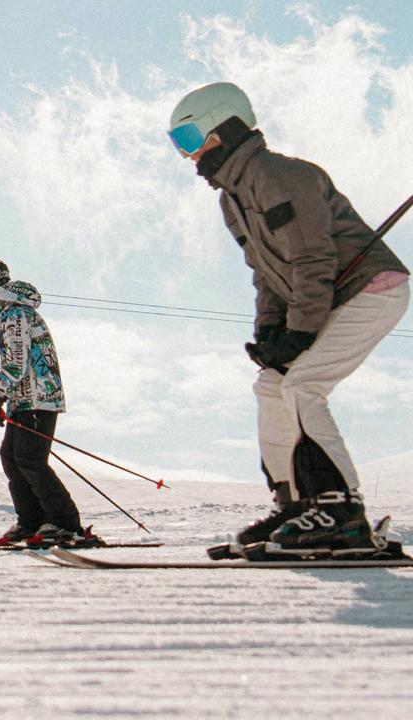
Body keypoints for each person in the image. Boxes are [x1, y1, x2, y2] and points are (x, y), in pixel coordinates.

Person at [168, 81, 410, 557]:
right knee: (271, 385)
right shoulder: (232, 198)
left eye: (190, 139)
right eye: (179, 145)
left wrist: (299, 332)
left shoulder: (280, 175)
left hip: (371, 289)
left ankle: (341, 512)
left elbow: (313, 259)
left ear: (224, 127)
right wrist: (270, 331)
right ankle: (298, 506)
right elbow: (266, 273)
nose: (188, 155)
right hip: (325, 298)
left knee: (303, 383)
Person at [0, 258, 93, 547]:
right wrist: (4, 399)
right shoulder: (8, 312)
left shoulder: (15, 312)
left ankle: (66, 524)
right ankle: (32, 520)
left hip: (39, 398)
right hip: (24, 401)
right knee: (11, 457)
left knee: (30, 459)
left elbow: (17, 362)